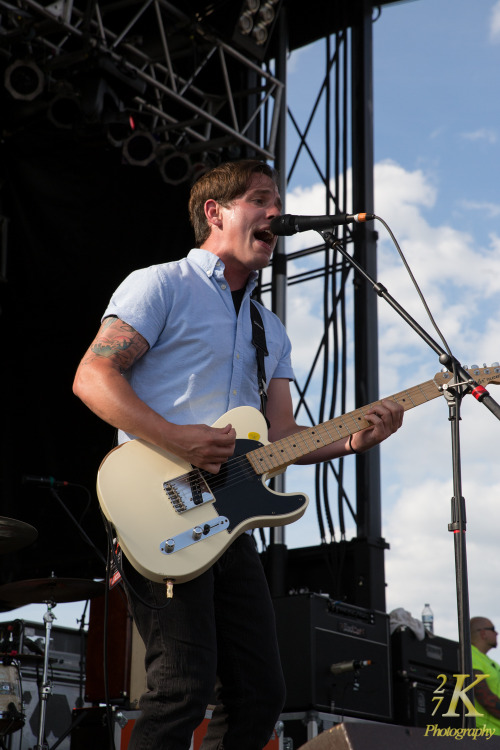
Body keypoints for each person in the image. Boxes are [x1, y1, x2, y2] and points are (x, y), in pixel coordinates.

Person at [73, 159, 404, 750]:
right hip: (160, 506)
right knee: (181, 688)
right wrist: (177, 438)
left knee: (259, 693)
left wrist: (354, 438)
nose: (275, 213)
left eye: (278, 201)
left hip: (229, 517)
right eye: (259, 199)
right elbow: (93, 378)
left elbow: (280, 440)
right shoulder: (161, 284)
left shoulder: (269, 329)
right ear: (214, 212)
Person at [470, 616, 500, 734]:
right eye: (493, 629)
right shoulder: (470, 655)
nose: (497, 633)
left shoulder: (490, 662)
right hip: (484, 734)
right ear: (483, 633)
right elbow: (485, 698)